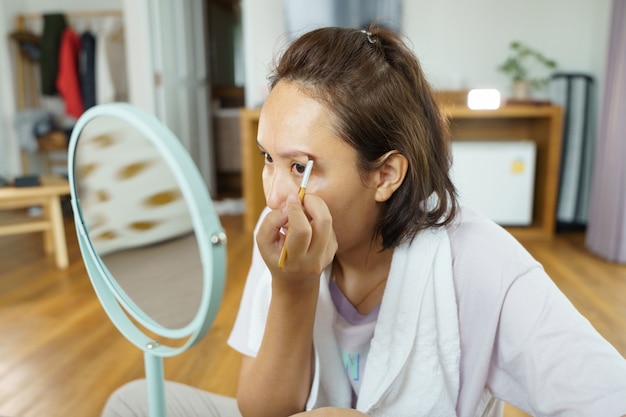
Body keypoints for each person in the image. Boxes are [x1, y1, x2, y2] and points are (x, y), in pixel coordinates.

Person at [103, 24, 626, 417]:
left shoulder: (483, 266)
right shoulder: (291, 240)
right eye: (268, 159)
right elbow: (263, 410)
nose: (277, 191)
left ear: (385, 175)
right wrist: (293, 289)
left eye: (301, 166)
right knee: (133, 402)